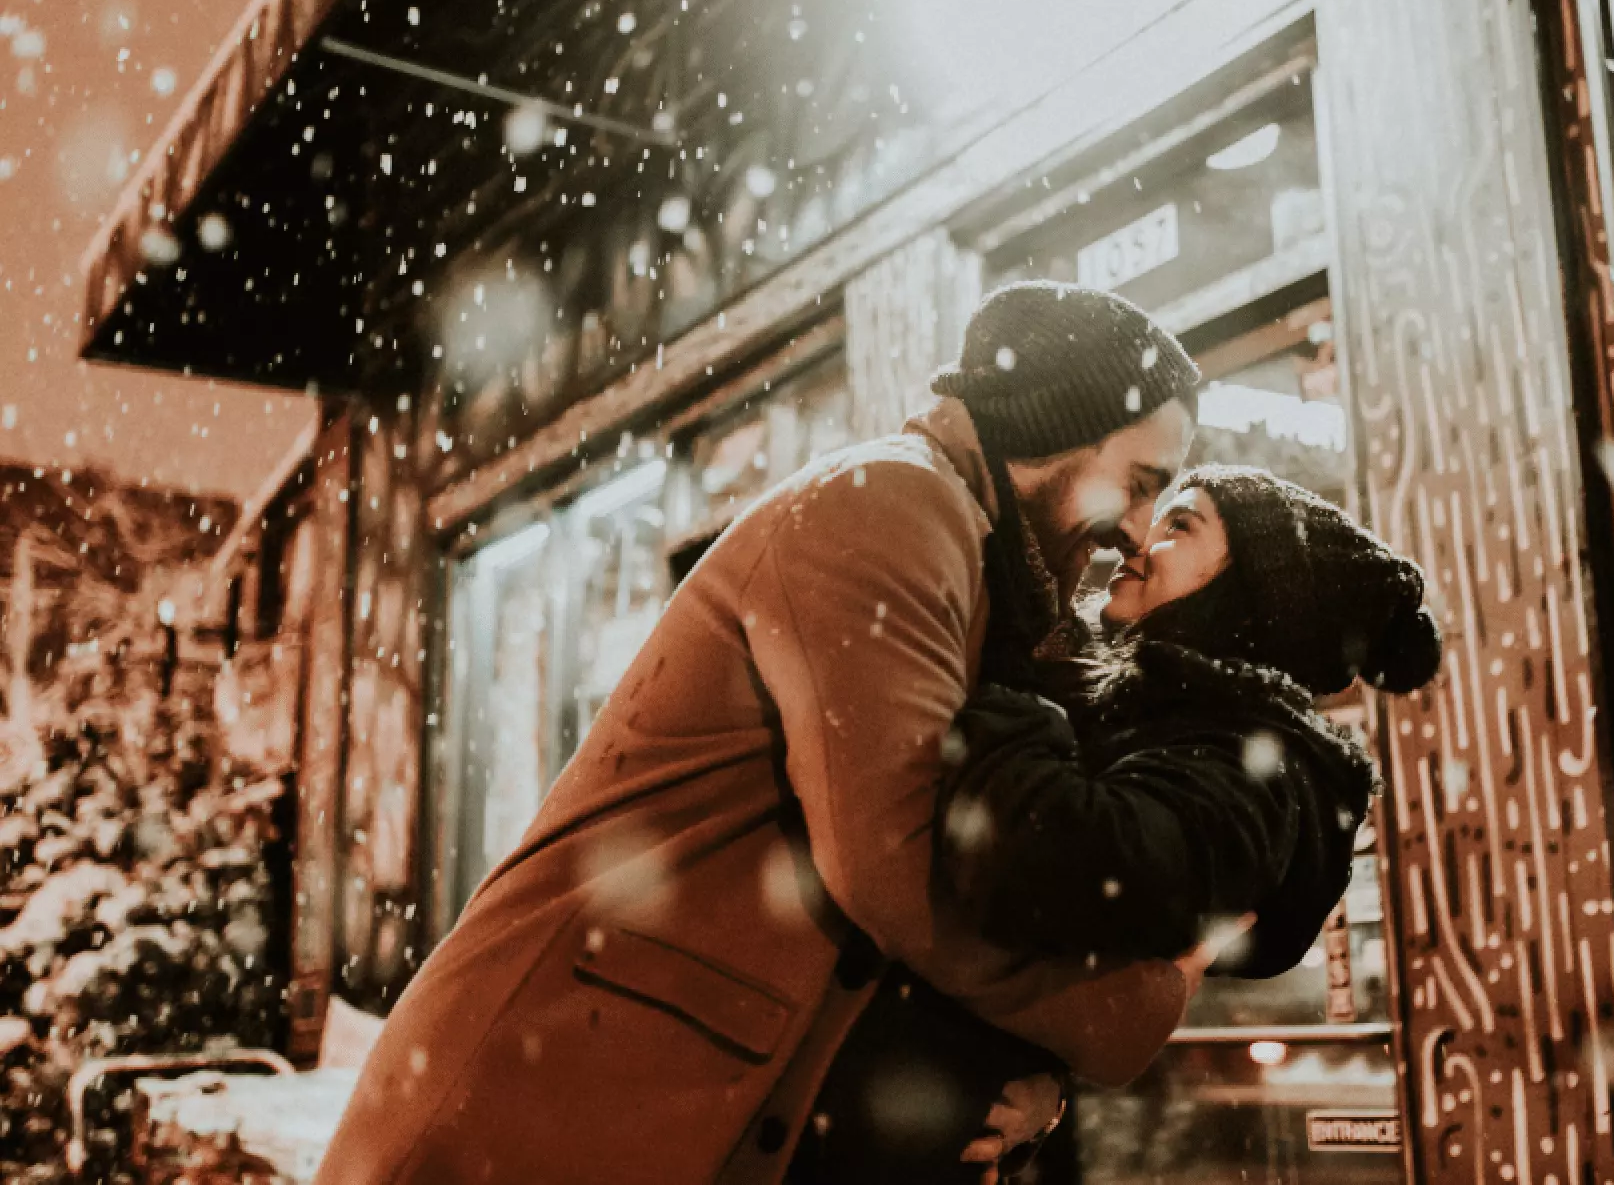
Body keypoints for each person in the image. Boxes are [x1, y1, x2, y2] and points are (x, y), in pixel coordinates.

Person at [316, 282, 1206, 1185]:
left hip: (618, 1106)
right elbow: (896, 872)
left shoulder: (983, 567)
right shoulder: (894, 506)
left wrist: (1035, 1075)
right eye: (1140, 484)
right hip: (537, 1109)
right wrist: (1136, 1005)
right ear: (1056, 427)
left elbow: (968, 880)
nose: (1137, 534)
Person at [784, 466, 1442, 1183]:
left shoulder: (1248, 769)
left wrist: (1008, 684)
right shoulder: (1159, 728)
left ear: (1249, 593)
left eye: (1178, 526)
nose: (1133, 543)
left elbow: (1051, 864)